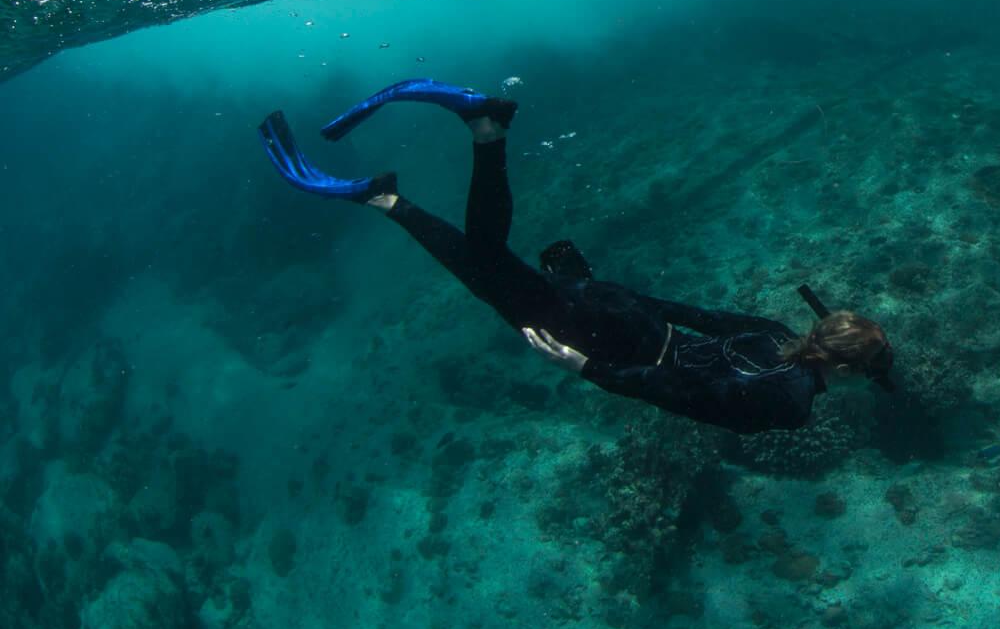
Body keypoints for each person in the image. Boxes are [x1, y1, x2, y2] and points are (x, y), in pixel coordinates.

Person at [257, 80, 894, 433]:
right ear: (851, 371)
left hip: (623, 313)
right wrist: (585, 365)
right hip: (609, 342)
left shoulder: (779, 333)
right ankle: (482, 135)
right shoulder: (790, 405)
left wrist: (595, 289)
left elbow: (692, 313)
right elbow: (674, 392)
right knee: (487, 272)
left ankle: (391, 195)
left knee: (489, 266)